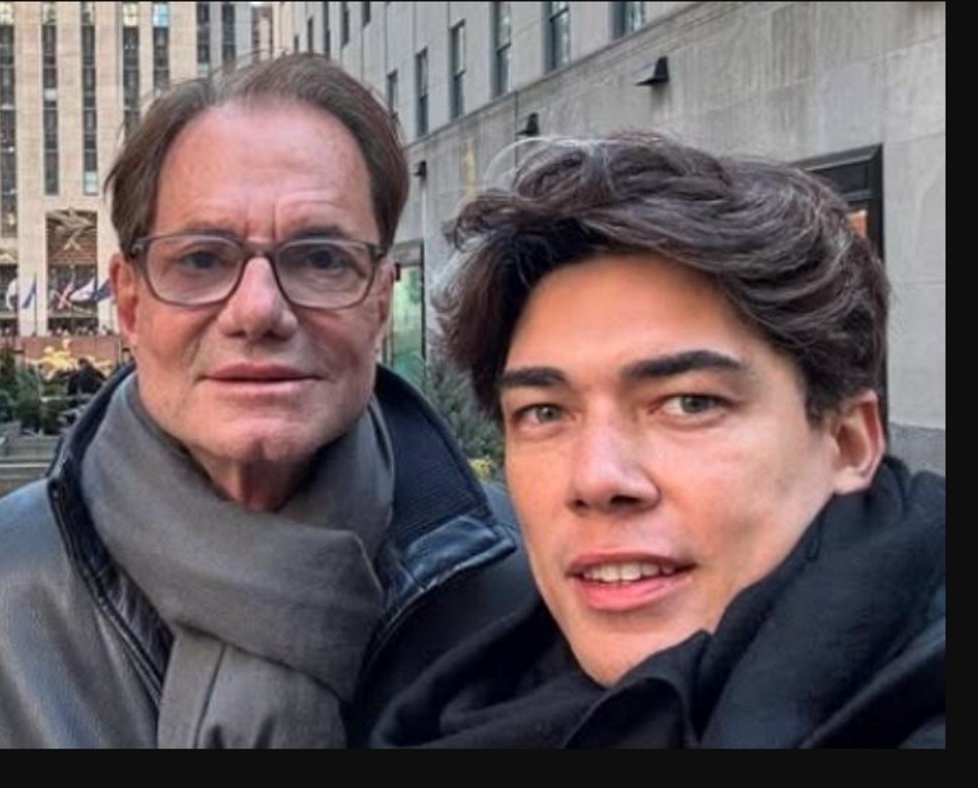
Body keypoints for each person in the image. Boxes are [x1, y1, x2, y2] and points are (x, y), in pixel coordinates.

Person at [0, 54, 527, 748]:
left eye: (320, 258)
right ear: (131, 305)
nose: (258, 311)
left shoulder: (526, 589)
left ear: (379, 302)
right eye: (202, 260)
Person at [371, 133, 945, 748]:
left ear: (848, 442)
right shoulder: (470, 698)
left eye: (688, 403)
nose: (597, 478)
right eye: (544, 412)